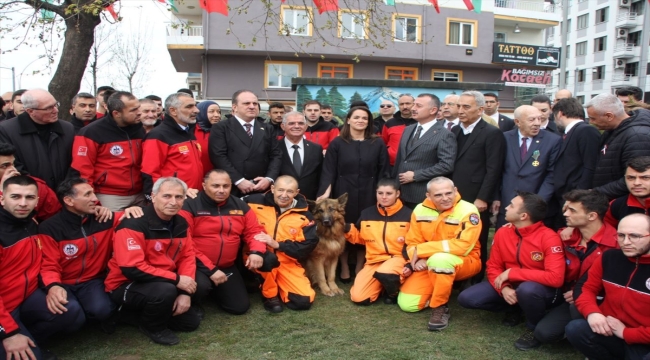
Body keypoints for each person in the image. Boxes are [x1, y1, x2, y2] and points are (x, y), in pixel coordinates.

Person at [458, 192, 565, 350]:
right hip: (510, 285)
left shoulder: (549, 237)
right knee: (467, 298)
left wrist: (512, 273)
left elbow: (555, 278)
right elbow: (494, 266)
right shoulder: (503, 232)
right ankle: (514, 308)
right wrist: (504, 288)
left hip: (538, 289)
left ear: (523, 216)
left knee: (528, 290)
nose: (506, 207)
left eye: (512, 205)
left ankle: (533, 327)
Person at [105, 177, 201, 345]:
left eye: (179, 197)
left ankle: (129, 316)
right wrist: (177, 280)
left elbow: (187, 256)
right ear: (153, 196)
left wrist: (185, 293)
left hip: (160, 281)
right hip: (125, 283)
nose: (173, 202)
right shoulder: (133, 223)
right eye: (167, 196)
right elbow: (132, 268)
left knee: (190, 323)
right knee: (165, 291)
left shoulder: (181, 222)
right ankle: (154, 328)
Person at [38, 178, 142, 332]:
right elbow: (49, 264)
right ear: (69, 200)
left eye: (93, 193)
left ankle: (96, 313)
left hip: (92, 282)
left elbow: (130, 217)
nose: (95, 198)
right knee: (72, 315)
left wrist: (130, 211)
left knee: (103, 309)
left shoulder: (104, 218)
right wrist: (53, 285)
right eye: (87, 195)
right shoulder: (49, 228)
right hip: (63, 282)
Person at [0, 176, 85, 360]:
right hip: (2, 308)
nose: (23, 203)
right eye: (15, 197)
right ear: (2, 198)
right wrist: (8, 333)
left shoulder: (31, 224)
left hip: (25, 296)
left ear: (37, 201)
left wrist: (53, 285)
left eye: (29, 198)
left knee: (71, 312)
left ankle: (30, 340)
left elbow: (44, 261)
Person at [179, 170, 270, 315]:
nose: (221, 190)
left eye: (226, 186)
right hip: (197, 265)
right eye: (215, 186)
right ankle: (195, 301)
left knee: (239, 307)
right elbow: (185, 244)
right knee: (201, 285)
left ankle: (215, 292)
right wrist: (211, 270)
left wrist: (257, 252)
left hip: (226, 266)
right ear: (204, 185)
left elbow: (255, 231)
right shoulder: (190, 205)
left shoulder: (239, 205)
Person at [533, 189, 617, 346]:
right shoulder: (565, 236)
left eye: (572, 210)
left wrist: (582, 292)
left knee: (576, 310)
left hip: (598, 300)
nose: (565, 214)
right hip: (565, 294)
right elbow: (536, 241)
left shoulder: (616, 244)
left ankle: (587, 336)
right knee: (543, 333)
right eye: (566, 209)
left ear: (592, 216)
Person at [398, 177, 481, 331]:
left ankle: (440, 306)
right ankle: (443, 285)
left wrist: (423, 251)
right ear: (428, 196)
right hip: (428, 262)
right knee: (408, 305)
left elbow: (463, 246)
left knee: (440, 260)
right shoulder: (419, 209)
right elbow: (412, 242)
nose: (445, 198)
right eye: (438, 195)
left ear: (455, 190)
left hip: (466, 261)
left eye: (449, 193)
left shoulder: (468, 210)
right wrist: (419, 258)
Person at [317, 106, 390, 282]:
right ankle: (343, 267)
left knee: (365, 228)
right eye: (356, 117)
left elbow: (384, 170)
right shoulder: (337, 143)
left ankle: (359, 266)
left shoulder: (377, 143)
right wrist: (325, 193)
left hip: (369, 191)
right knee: (343, 227)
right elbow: (329, 170)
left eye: (364, 118)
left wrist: (383, 194)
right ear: (348, 120)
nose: (360, 121)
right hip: (343, 190)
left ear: (369, 122)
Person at [566, 213, 650, 359]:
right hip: (610, 329)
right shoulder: (609, 257)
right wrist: (593, 313)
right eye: (621, 235)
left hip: (643, 339)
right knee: (575, 329)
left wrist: (626, 333)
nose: (626, 242)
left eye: (634, 236)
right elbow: (585, 288)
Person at [451, 91, 506, 283]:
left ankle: (475, 278)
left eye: (466, 107)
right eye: (459, 106)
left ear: (480, 109)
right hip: (454, 196)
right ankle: (457, 275)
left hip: (476, 197)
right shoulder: (455, 131)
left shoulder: (492, 133)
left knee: (476, 238)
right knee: (456, 235)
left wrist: (484, 197)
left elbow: (494, 169)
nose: (460, 110)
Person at [244, 175, 318, 312]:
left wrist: (278, 245)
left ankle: (276, 283)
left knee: (303, 301)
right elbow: (226, 203)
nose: (284, 195)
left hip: (287, 261)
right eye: (280, 190)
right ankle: (269, 295)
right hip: (257, 256)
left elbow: (307, 246)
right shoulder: (252, 202)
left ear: (296, 192)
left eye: (290, 191)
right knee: (269, 259)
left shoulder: (305, 216)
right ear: (272, 189)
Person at [71, 91, 145, 211]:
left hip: (139, 193)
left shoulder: (140, 129)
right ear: (116, 113)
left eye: (138, 108)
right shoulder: (91, 132)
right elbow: (83, 168)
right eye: (133, 110)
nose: (139, 113)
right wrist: (89, 196)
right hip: (109, 195)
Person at [345, 178, 412, 305]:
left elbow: (415, 242)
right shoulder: (366, 213)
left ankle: (392, 292)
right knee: (359, 298)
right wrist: (347, 229)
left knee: (387, 272)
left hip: (398, 259)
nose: (384, 197)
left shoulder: (409, 214)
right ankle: (383, 285)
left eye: (389, 193)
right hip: (374, 261)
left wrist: (409, 263)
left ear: (397, 194)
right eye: (380, 193)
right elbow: (362, 239)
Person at [494, 105, 561, 228]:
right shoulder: (505, 138)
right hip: (508, 203)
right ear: (517, 122)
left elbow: (552, 175)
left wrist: (537, 203)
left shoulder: (552, 141)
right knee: (505, 242)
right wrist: (496, 197)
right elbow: (497, 170)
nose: (537, 124)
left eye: (539, 119)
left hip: (535, 205)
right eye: (531, 120)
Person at [210, 90, 282, 196]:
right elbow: (218, 156)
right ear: (234, 107)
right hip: (233, 188)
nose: (252, 106)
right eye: (246, 103)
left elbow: (276, 155)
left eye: (255, 103)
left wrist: (268, 178)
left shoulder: (267, 128)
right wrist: (238, 180)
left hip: (261, 187)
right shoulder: (221, 128)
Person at [392, 93, 456, 210]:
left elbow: (446, 165)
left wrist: (416, 175)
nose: (413, 108)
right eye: (414, 105)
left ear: (433, 110)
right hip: (401, 195)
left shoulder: (444, 134)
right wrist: (394, 186)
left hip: (423, 196)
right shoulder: (408, 129)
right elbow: (400, 160)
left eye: (418, 106)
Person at [0, 88, 73, 190]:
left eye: (55, 105)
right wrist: (38, 189)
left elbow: (74, 162)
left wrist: (68, 188)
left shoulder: (67, 128)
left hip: (65, 193)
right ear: (30, 111)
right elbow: (13, 165)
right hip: (27, 194)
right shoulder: (6, 130)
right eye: (48, 108)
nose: (56, 110)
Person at [141, 92, 203, 199]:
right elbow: (150, 172)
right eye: (189, 107)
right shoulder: (158, 135)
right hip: (172, 199)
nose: (196, 110)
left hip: (193, 196)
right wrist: (157, 198)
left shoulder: (188, 131)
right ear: (173, 111)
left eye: (195, 106)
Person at [551, 97, 600, 228]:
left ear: (560, 113)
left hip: (576, 197)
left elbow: (590, 166)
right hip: (565, 197)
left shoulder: (586, 131)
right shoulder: (569, 133)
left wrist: (578, 197)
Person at [589, 93, 650, 199]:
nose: (591, 122)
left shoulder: (637, 136)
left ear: (609, 116)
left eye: (593, 118)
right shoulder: (613, 130)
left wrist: (597, 193)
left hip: (625, 204)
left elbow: (636, 178)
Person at [0, 142, 61, 221]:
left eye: (13, 164)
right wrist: (1, 190)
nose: (13, 169)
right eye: (5, 166)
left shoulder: (35, 186)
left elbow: (56, 217)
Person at [278, 112, 323, 200]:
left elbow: (320, 175)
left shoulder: (316, 149)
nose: (297, 126)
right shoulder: (274, 148)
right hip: (282, 200)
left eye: (301, 123)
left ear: (306, 127)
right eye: (291, 123)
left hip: (309, 201)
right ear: (283, 126)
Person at [603, 156, 650, 228]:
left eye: (645, 178)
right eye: (631, 178)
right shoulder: (616, 205)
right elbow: (607, 234)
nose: (636, 183)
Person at [382, 94, 417, 167]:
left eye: (408, 103)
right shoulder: (390, 123)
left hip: (415, 165)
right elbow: (384, 142)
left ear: (414, 104)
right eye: (401, 104)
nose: (405, 107)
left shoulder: (420, 122)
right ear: (398, 106)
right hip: (391, 166)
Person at [195, 101, 221, 174]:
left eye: (218, 112)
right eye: (211, 111)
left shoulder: (222, 131)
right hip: (196, 176)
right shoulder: (191, 131)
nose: (217, 115)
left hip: (216, 176)